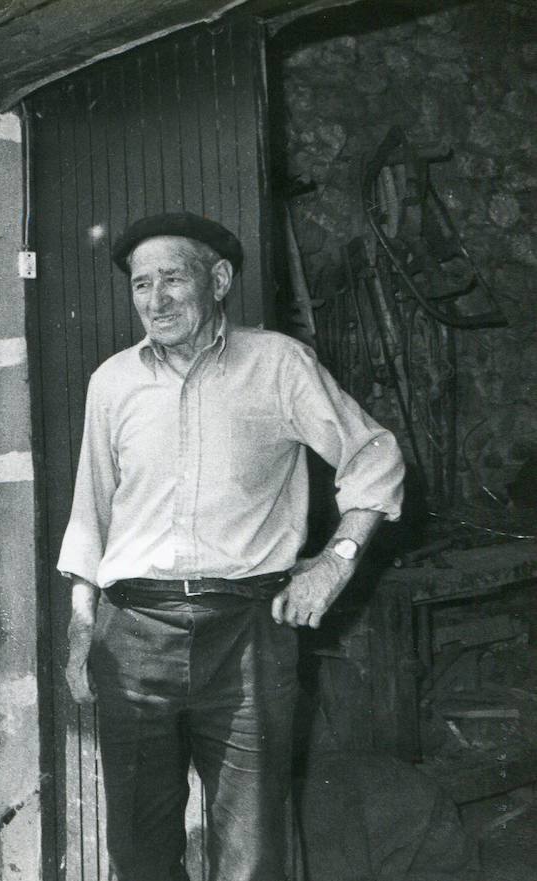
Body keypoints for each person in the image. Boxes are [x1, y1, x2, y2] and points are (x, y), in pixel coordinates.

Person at [57, 212, 405, 881]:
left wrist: (333, 564)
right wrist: (81, 631)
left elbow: (376, 457)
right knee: (138, 849)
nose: (155, 299)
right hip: (132, 634)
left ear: (217, 280)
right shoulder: (112, 383)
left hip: (247, 631)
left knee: (252, 851)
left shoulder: (279, 364)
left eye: (172, 279)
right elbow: (90, 515)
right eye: (141, 284)